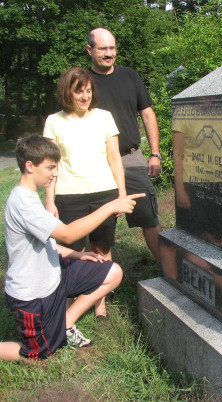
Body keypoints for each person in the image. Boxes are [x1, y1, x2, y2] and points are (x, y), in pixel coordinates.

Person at [0, 135, 144, 361]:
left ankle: (66, 323)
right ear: (29, 166)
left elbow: (47, 243)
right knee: (38, 354)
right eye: (50, 167)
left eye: (56, 167)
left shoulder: (29, 196)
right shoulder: (22, 203)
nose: (55, 173)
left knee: (112, 272)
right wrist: (110, 206)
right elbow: (68, 233)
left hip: (54, 277)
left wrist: (78, 254)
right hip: (32, 295)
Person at [43, 66, 126, 318]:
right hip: (68, 195)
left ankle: (99, 303)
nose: (85, 97)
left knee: (101, 247)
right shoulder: (54, 121)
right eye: (79, 92)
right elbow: (51, 164)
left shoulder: (104, 117)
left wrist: (121, 195)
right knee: (73, 252)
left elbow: (114, 158)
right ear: (67, 92)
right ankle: (69, 303)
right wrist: (49, 199)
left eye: (88, 91)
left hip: (105, 193)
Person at [86, 28, 162, 262]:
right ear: (90, 50)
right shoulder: (83, 81)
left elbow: (148, 115)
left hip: (130, 158)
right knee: (100, 226)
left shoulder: (130, 76)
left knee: (149, 217)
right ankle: (103, 285)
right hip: (96, 161)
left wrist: (155, 154)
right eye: (102, 49)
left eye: (112, 48)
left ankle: (169, 274)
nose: (109, 54)